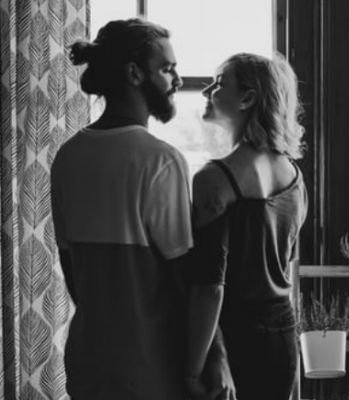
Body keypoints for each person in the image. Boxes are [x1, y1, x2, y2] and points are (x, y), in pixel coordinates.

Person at [51, 18, 233, 400]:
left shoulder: (67, 156)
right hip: (151, 366)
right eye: (167, 69)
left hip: (89, 361)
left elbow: (74, 276)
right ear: (134, 74)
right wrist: (214, 357)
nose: (177, 80)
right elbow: (187, 279)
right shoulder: (159, 160)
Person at [186, 52, 308, 400]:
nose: (207, 91)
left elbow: (210, 287)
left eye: (219, 83)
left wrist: (192, 369)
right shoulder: (294, 177)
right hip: (283, 332)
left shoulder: (214, 179)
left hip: (234, 337)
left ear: (248, 98)